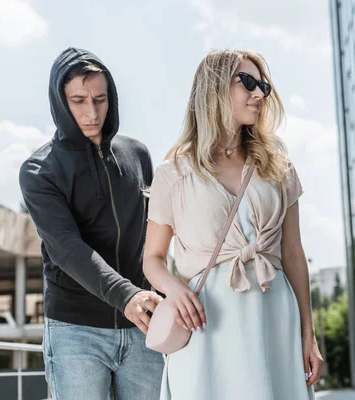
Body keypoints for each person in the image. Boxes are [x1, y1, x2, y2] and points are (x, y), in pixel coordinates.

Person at [143, 49, 324, 400]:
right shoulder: (173, 174)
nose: (259, 94)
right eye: (249, 83)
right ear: (214, 88)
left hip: (273, 316)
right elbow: (152, 258)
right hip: (206, 320)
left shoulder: (278, 167)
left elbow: (293, 253)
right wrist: (175, 289)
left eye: (264, 87)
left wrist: (308, 333)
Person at [19, 47, 164, 400]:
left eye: (100, 99)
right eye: (79, 100)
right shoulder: (40, 171)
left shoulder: (138, 155)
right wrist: (126, 294)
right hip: (75, 330)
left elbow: (154, 236)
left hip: (142, 326)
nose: (92, 112)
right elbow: (67, 248)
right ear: (60, 101)